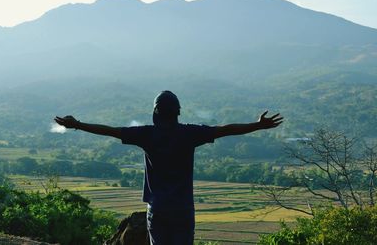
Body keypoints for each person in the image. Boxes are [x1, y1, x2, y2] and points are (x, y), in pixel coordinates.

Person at [54, 90, 283, 245]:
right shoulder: (190, 133)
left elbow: (111, 131)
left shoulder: (146, 134)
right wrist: (258, 126)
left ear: (155, 112)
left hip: (158, 208)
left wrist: (78, 125)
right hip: (183, 209)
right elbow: (224, 129)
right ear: (178, 112)